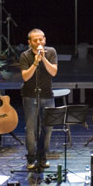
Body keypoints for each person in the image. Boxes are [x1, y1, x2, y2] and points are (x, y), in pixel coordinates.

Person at [19, 29, 58, 170]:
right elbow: (25, 77)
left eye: (41, 39)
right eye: (35, 40)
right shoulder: (25, 55)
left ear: (45, 40)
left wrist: (44, 59)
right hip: (30, 96)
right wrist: (35, 63)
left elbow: (53, 72)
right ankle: (31, 158)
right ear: (30, 42)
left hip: (47, 95)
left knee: (48, 129)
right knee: (31, 129)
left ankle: (43, 157)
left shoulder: (51, 52)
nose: (39, 42)